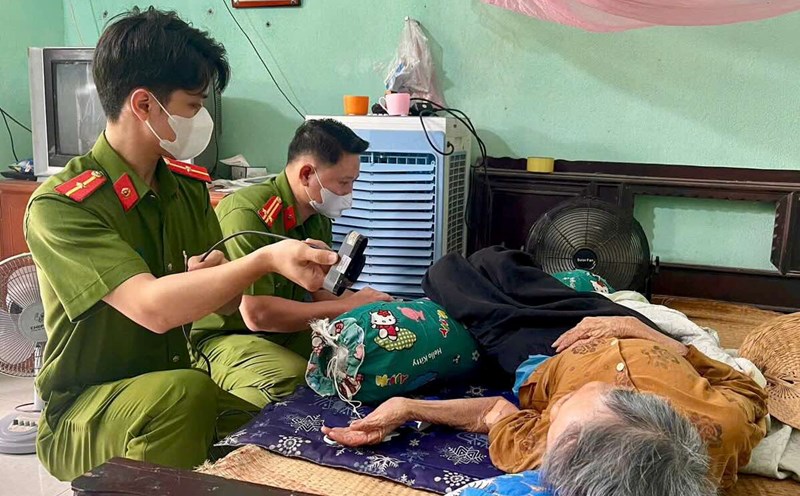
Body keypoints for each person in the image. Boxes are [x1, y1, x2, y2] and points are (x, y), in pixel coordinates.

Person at [25, 8, 337, 481]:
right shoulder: (63, 206)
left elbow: (226, 301)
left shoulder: (186, 188)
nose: (201, 118)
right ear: (144, 105)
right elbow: (154, 309)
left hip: (172, 382)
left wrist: (215, 278)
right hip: (84, 410)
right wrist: (263, 259)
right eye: (193, 105)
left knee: (280, 433)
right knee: (184, 395)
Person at [323, 316, 769, 494]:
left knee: (459, 277)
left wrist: (409, 406)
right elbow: (750, 391)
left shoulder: (534, 455)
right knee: (506, 268)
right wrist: (642, 330)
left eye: (556, 416)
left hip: (544, 355)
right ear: (659, 412)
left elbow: (493, 411)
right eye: (583, 396)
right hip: (620, 324)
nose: (557, 406)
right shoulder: (723, 426)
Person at [191, 119, 392, 408]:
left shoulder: (316, 215)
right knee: (294, 378)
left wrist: (372, 306)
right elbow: (257, 314)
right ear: (308, 174)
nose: (350, 193)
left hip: (283, 331)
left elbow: (321, 292)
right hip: (227, 336)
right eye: (344, 182)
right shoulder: (248, 213)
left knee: (364, 358)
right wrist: (348, 306)